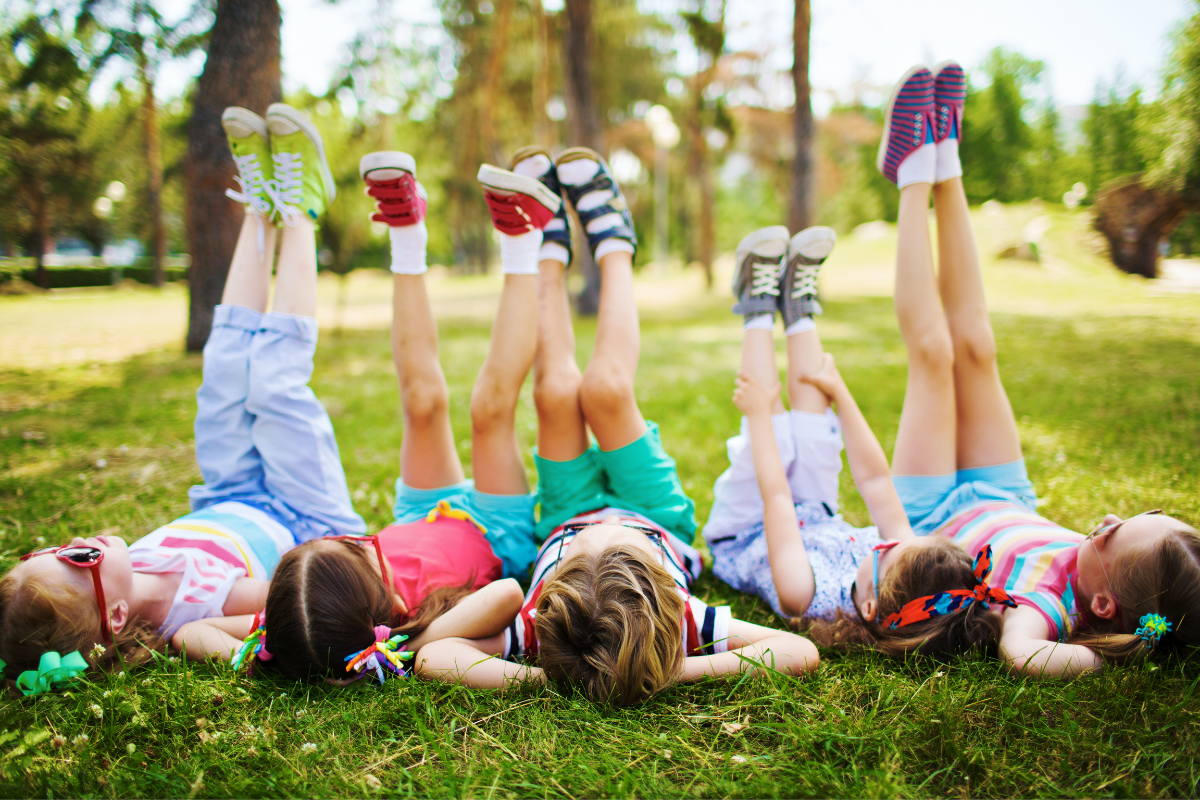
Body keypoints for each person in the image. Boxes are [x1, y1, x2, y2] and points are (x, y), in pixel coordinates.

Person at [416, 148, 819, 705]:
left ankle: (547, 248)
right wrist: (668, 667)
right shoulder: (678, 621)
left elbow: (435, 656)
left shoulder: (545, 623)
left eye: (588, 550)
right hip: (653, 510)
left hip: (564, 512)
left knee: (555, 392)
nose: (600, 535)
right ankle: (614, 247)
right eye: (621, 548)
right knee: (605, 389)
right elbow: (798, 652)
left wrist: (553, 676)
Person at [0, 104, 366, 693]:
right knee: (272, 383)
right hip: (303, 515)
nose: (80, 544)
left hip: (229, 494)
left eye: (59, 548)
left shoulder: (133, 567)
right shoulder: (200, 607)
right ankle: (300, 212)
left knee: (222, 371)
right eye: (79, 561)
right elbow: (300, 612)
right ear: (116, 616)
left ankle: (260, 210)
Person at [849, 62, 1200, 674]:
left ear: (1101, 600)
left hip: (933, 519)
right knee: (978, 346)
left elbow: (1022, 653)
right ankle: (946, 159)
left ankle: (909, 174)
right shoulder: (1104, 581)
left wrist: (1103, 660)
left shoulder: (1049, 607)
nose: (1109, 520)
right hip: (1004, 494)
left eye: (1111, 537)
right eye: (1135, 517)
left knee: (934, 356)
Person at [223, 149, 566, 684]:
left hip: (420, 512)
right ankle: (524, 237)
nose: (343, 544)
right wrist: (395, 653)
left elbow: (189, 632)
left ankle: (405, 231)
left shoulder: (306, 608)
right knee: (489, 409)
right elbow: (510, 593)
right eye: (344, 555)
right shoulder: (405, 624)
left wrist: (268, 641)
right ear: (373, 603)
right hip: (496, 535)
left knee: (422, 400)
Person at [704, 225, 922, 629]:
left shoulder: (802, 594)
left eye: (890, 548)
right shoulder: (902, 559)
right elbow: (874, 479)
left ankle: (756, 304)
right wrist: (840, 394)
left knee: (776, 436)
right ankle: (798, 309)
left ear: (870, 605)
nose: (890, 539)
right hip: (811, 509)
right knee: (818, 435)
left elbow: (776, 498)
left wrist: (759, 415)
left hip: (748, 525)